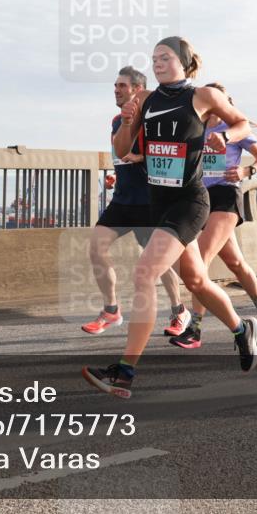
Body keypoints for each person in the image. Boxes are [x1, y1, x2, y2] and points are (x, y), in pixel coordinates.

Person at [82, 37, 257, 399]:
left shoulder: (203, 96)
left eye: (164, 57)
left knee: (144, 273)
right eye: (154, 59)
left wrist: (226, 137)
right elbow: (123, 150)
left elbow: (241, 122)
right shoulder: (145, 100)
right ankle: (243, 329)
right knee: (196, 280)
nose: (157, 63)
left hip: (189, 202)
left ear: (184, 61)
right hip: (158, 203)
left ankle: (124, 373)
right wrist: (128, 123)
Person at [83, 66, 188, 336]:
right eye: (115, 86)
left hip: (148, 202)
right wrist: (117, 175)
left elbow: (170, 153)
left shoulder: (153, 119)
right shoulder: (117, 121)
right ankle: (111, 310)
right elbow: (122, 154)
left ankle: (179, 311)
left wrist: (141, 158)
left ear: (137, 90)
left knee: (159, 263)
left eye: (122, 86)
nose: (116, 90)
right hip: (122, 201)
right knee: (96, 248)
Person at [170, 82, 257, 349]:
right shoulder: (197, 128)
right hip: (202, 198)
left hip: (227, 195)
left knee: (201, 259)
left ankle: (195, 328)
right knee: (236, 263)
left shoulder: (234, 129)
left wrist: (246, 171)